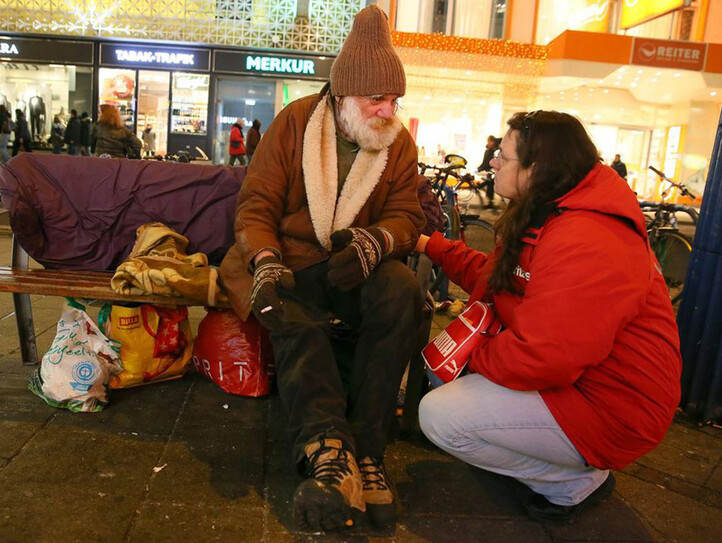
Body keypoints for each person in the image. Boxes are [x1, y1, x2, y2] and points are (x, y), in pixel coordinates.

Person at [416, 110, 681, 523]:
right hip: (584, 383)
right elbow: (498, 279)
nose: (492, 163)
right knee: (445, 375)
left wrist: (472, 359)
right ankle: (559, 460)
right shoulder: (549, 210)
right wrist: (430, 245)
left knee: (441, 416)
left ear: (535, 168)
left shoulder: (589, 236)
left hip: (615, 407)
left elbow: (545, 354)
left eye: (503, 156)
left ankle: (572, 484)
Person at [219, 5, 424, 532]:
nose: (387, 110)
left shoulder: (398, 143)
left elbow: (407, 214)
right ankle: (330, 453)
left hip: (353, 267)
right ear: (342, 95)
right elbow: (256, 207)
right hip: (288, 262)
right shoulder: (295, 123)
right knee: (295, 318)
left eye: (394, 99)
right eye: (376, 98)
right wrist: (264, 262)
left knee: (403, 292)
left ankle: (368, 450)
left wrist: (378, 241)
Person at [477, 135, 501, 209]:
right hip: (489, 172)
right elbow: (485, 162)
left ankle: (490, 202)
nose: (489, 143)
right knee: (489, 184)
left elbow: (487, 163)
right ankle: (490, 202)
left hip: (492, 172)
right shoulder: (488, 151)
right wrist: (479, 168)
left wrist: (480, 168)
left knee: (489, 185)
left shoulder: (495, 151)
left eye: (489, 141)